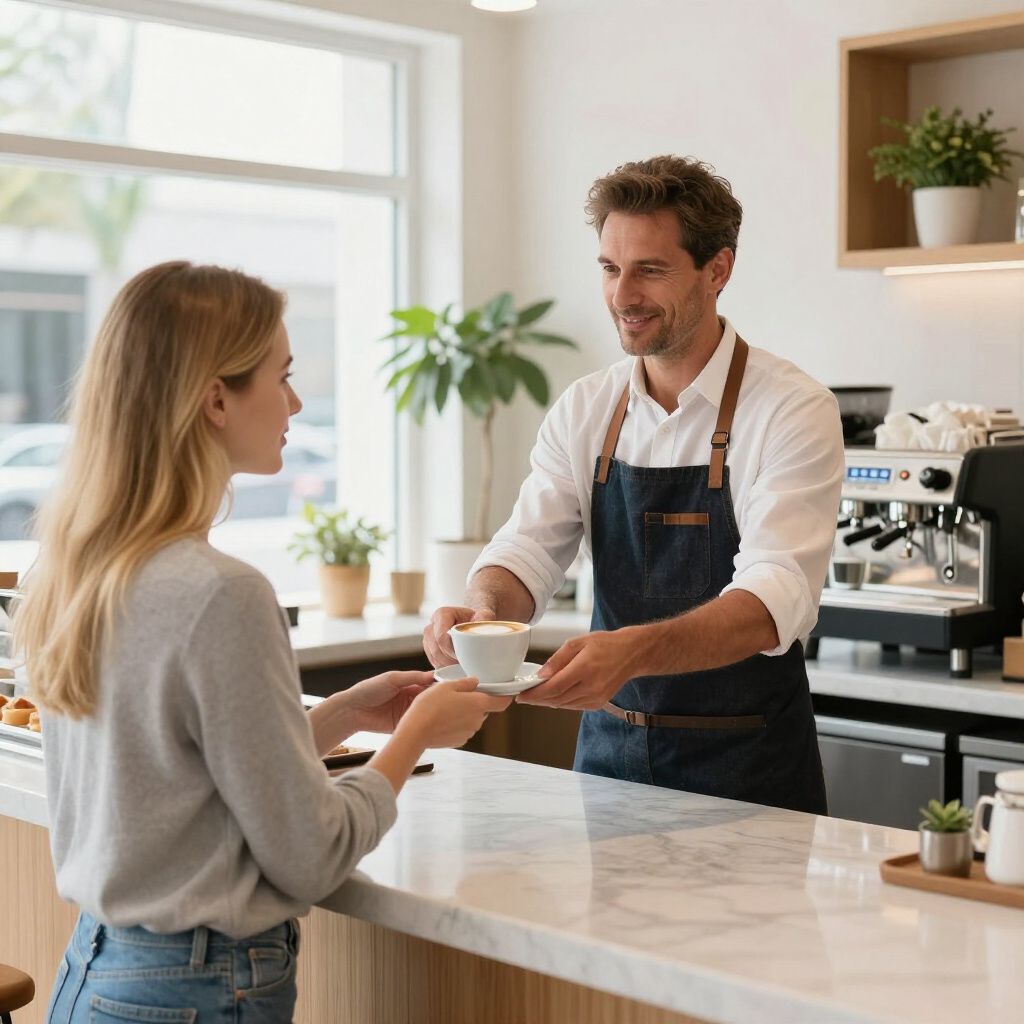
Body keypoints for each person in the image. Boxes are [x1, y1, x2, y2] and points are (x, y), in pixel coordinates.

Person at [14, 261, 509, 1022]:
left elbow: (171, 783)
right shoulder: (221, 592)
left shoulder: (75, 569)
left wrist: (341, 714)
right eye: (282, 375)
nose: (297, 402)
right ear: (216, 398)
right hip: (198, 990)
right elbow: (309, 855)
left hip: (97, 972)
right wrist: (414, 739)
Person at [424, 155, 844, 814]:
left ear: (718, 270)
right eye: (610, 268)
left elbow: (774, 598)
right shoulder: (586, 408)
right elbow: (526, 551)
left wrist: (633, 652)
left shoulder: (791, 409)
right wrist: (484, 613)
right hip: (607, 764)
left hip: (749, 773)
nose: (623, 295)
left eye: (650, 269)